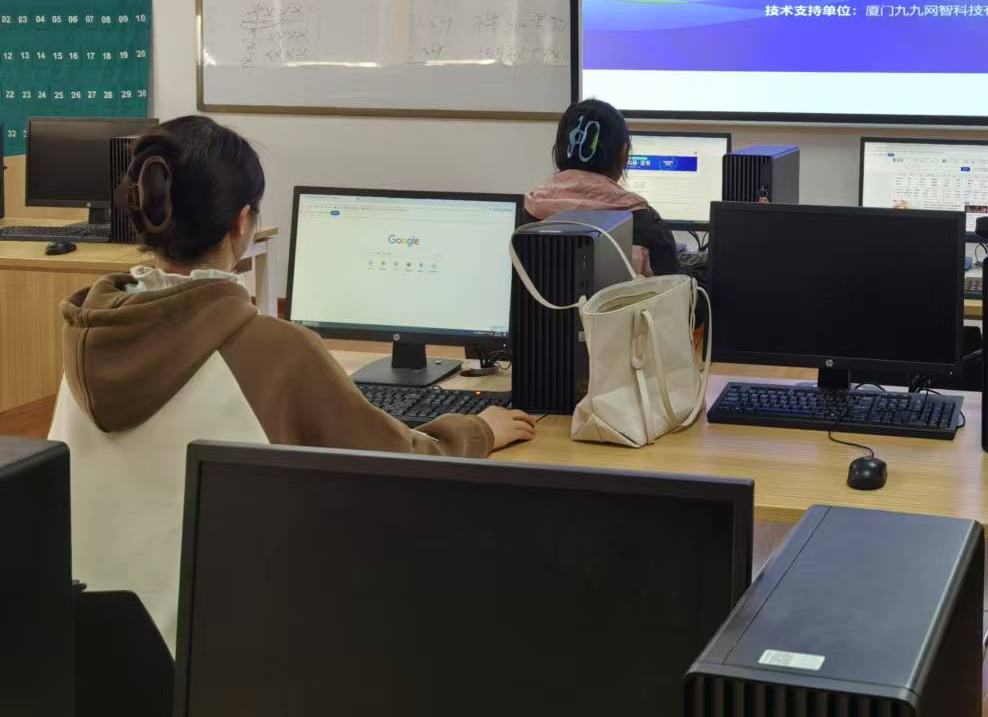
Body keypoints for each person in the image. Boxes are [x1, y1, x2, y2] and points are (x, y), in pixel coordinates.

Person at [47, 116, 537, 649]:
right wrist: (479, 430)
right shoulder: (273, 350)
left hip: (72, 650)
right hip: (215, 658)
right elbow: (404, 466)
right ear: (241, 225)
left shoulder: (89, 338)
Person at [525, 98, 680, 277]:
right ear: (623, 154)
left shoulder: (527, 212)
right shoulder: (646, 224)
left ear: (559, 151)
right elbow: (676, 289)